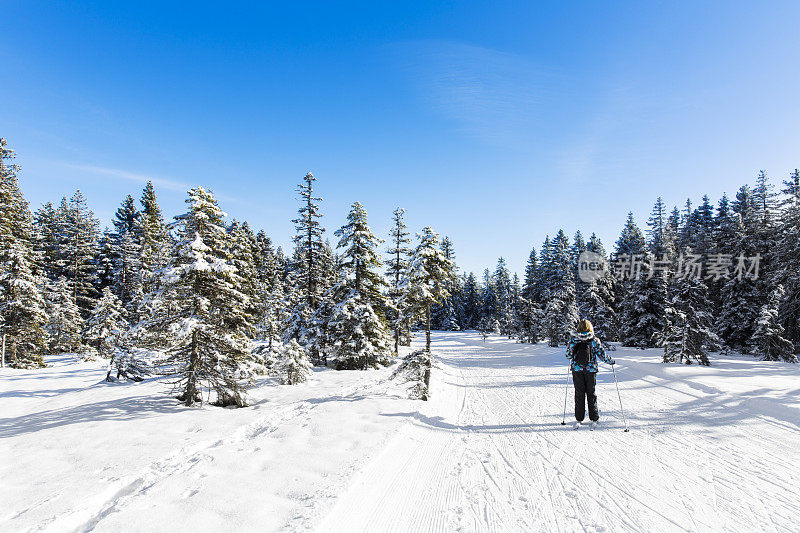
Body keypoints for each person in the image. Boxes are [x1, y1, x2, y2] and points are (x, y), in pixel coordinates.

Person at [566, 319, 615, 429]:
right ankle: (594, 417)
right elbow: (602, 354)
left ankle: (579, 418)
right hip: (591, 370)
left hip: (577, 370)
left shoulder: (574, 340)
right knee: (591, 393)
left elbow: (568, 355)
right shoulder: (594, 340)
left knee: (579, 394)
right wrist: (610, 361)